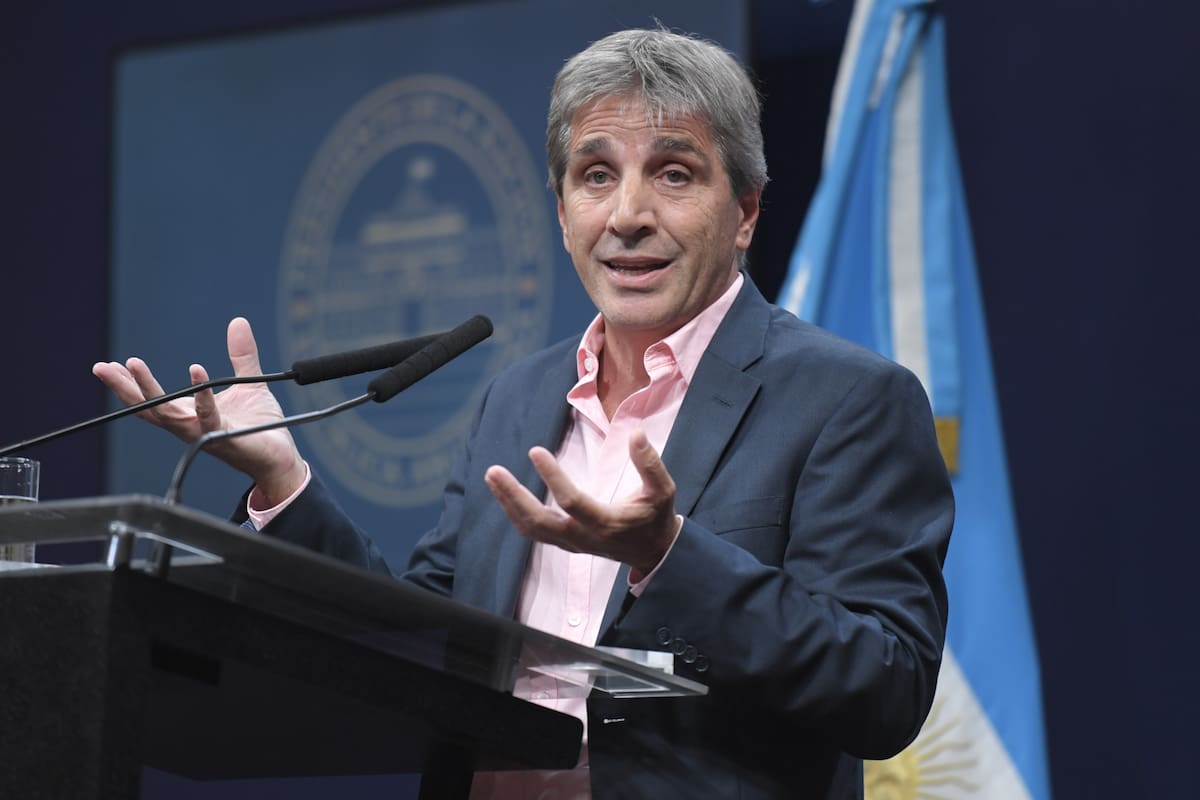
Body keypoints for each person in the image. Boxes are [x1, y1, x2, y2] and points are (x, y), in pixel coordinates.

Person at [95, 28, 953, 800]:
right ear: (562, 209)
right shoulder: (517, 399)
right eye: (595, 176)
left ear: (747, 212)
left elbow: (885, 688)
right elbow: (418, 638)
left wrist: (669, 555)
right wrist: (282, 478)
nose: (628, 215)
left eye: (675, 173)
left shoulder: (847, 399)